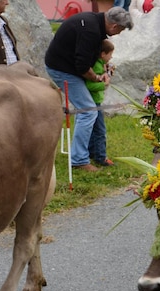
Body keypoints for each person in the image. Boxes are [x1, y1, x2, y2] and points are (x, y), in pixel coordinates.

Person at [45, 6, 133, 172]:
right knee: (88, 111)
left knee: (92, 109)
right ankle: (78, 160)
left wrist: (104, 68)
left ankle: (96, 153)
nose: (119, 33)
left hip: (71, 67)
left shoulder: (96, 23)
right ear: (114, 26)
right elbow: (83, 66)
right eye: (121, 30)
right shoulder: (91, 30)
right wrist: (98, 78)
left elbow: (90, 56)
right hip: (62, 69)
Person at [85, 39, 115, 167]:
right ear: (103, 54)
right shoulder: (96, 66)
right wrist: (104, 85)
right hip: (94, 101)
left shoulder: (100, 64)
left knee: (94, 128)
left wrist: (107, 74)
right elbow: (90, 85)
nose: (111, 57)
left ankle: (92, 152)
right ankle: (101, 157)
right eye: (110, 54)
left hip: (95, 101)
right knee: (100, 130)